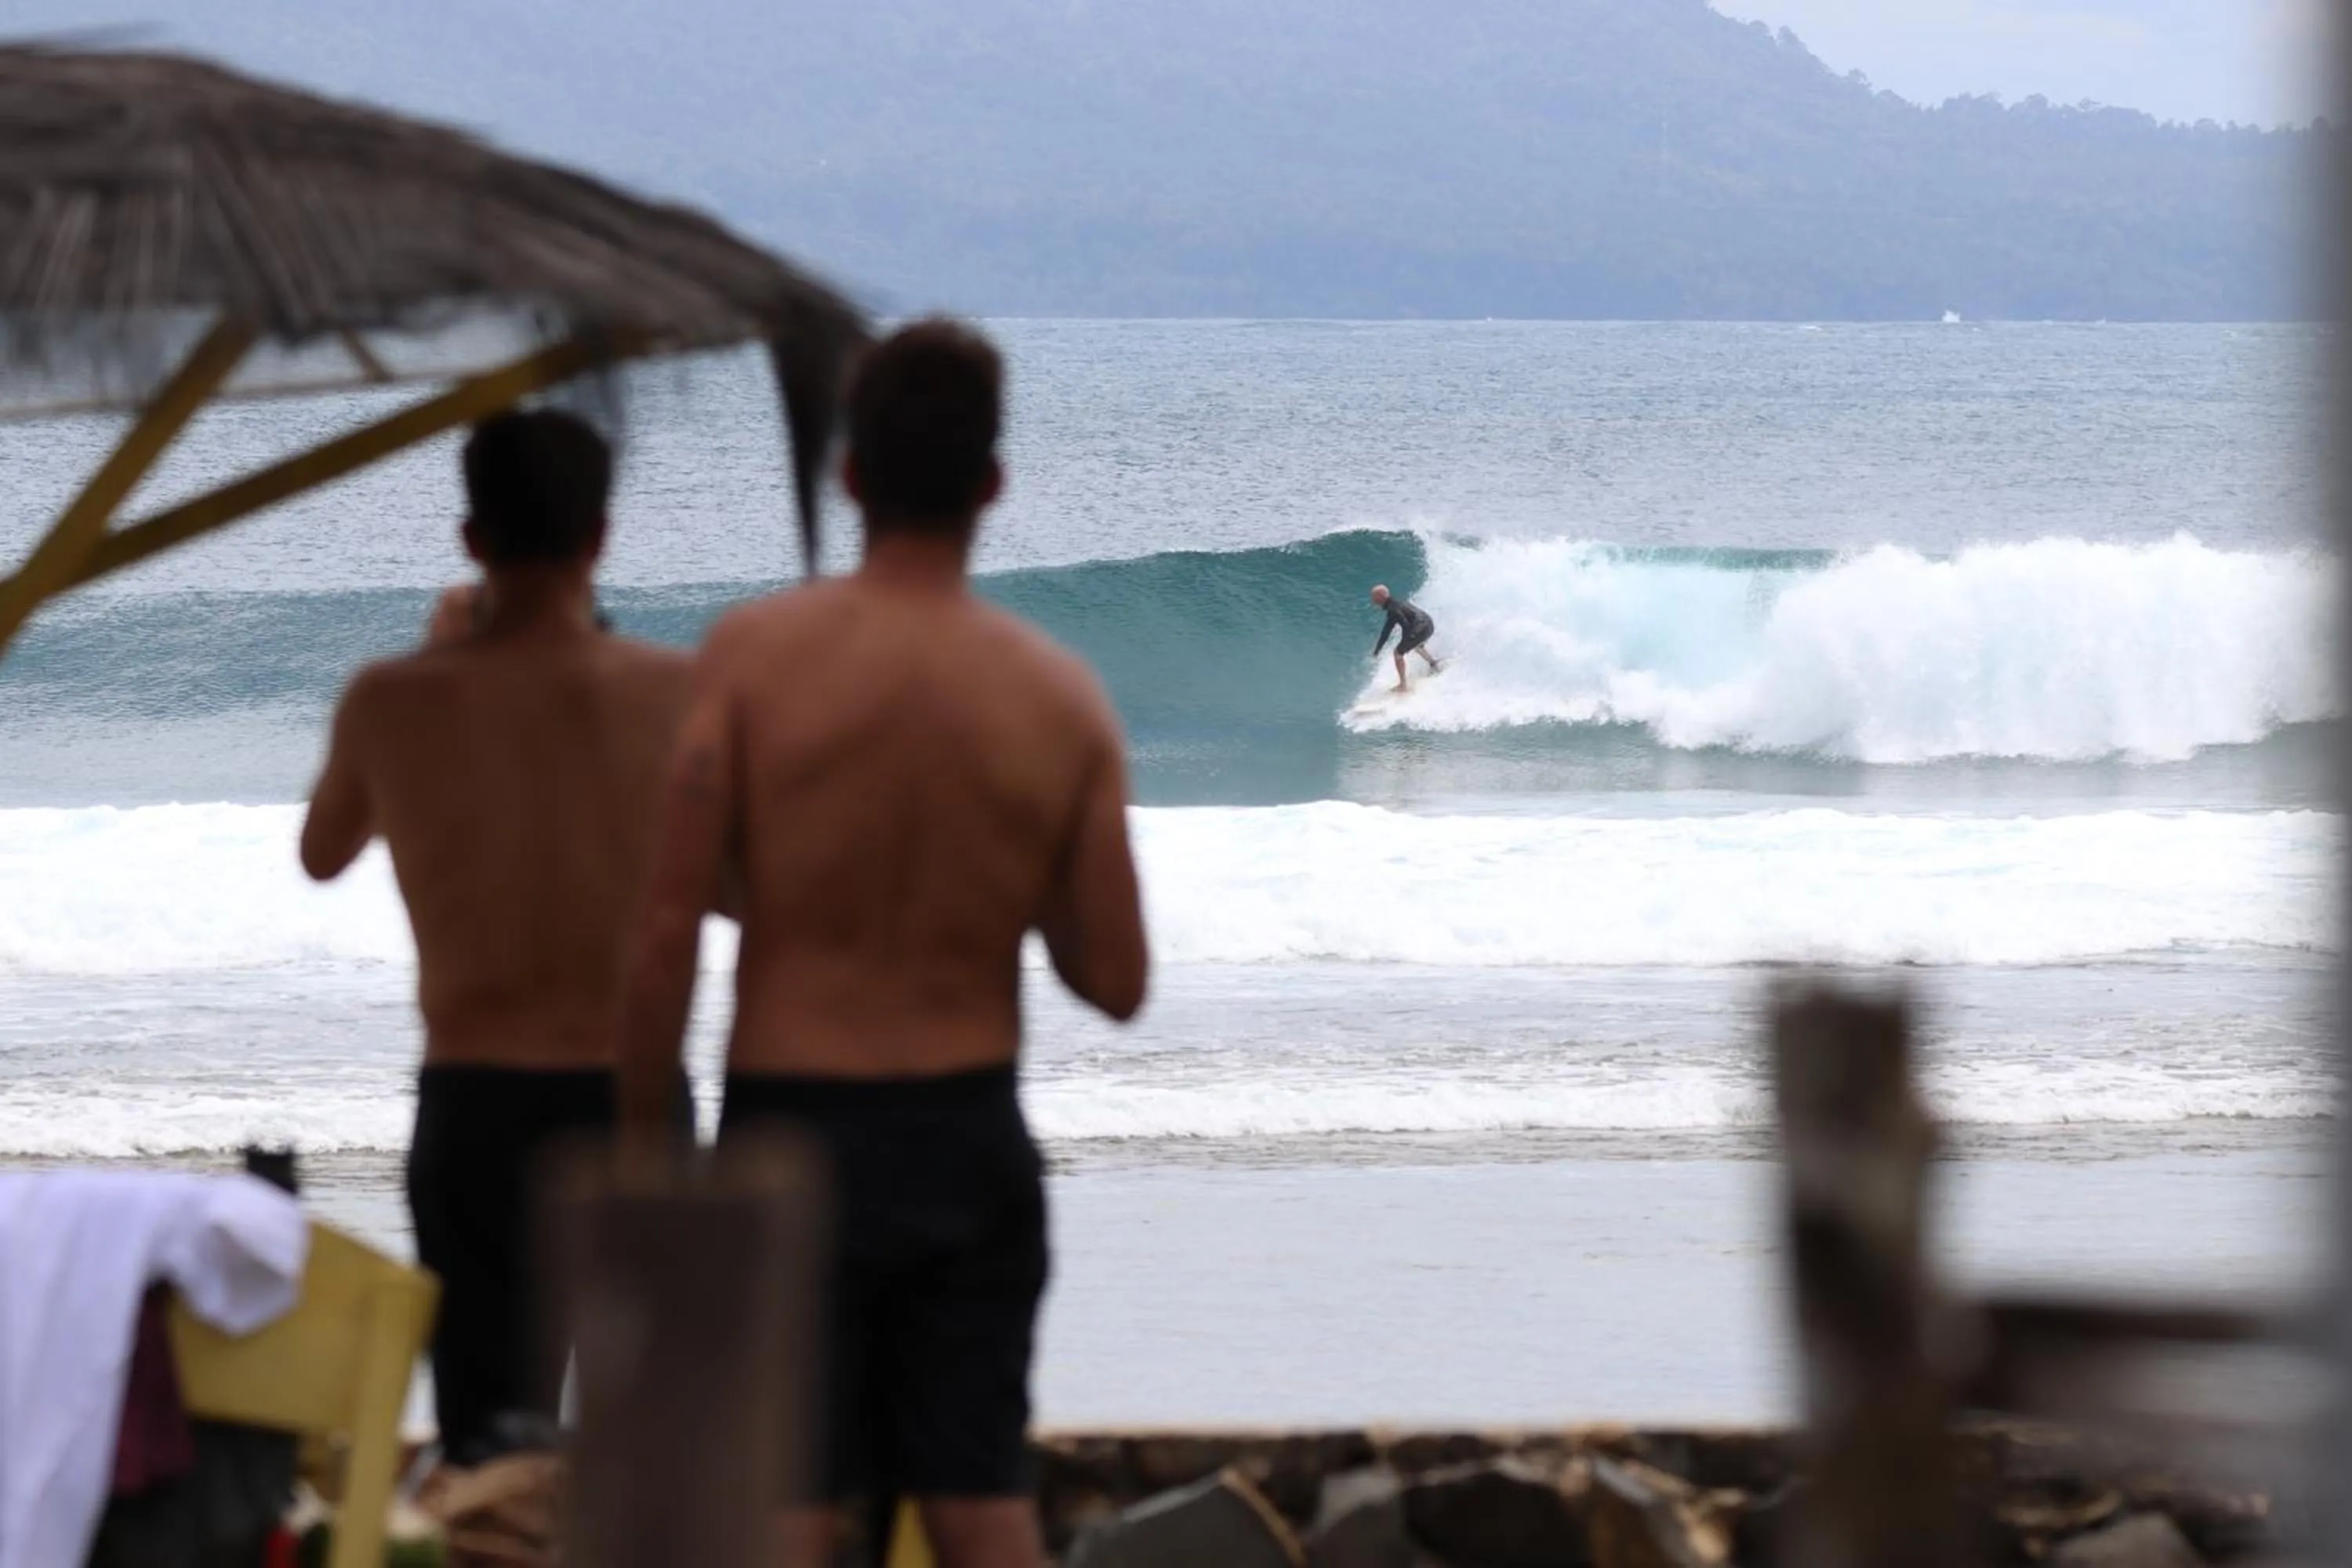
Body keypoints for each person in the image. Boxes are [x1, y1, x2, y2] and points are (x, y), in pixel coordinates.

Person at [619, 319, 1149, 1568]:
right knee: (976, 1502)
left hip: (788, 1138)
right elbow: (1116, 981)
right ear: (994, 485)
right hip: (968, 1135)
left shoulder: (751, 659)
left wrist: (650, 1152)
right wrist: (1000, 881)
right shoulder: (1058, 696)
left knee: (792, 1512)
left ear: (849, 476)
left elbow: (661, 933)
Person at [299, 409, 695, 1468]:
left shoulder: (393, 698)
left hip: (474, 1107)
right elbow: (748, 888)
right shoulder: (676, 695)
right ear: (600, 539)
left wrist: (443, 663)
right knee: (657, 1449)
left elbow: (323, 851)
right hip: (636, 1100)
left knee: (489, 1451)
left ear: (471, 540)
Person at [1370, 583, 1441, 691]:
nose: (1373, 600)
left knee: (1398, 653)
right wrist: (1378, 649)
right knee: (1417, 646)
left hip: (1420, 628)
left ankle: (1403, 685)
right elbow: (1387, 631)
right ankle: (1433, 663)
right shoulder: (1399, 604)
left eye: (1374, 597)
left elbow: (1402, 625)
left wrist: (1406, 639)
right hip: (1429, 625)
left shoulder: (1393, 609)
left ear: (1381, 596)